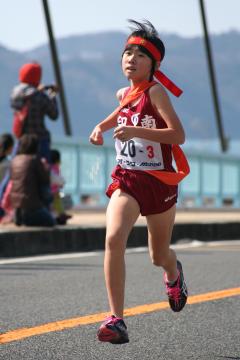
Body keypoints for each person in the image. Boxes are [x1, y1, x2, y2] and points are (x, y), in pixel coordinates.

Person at [89, 19, 190, 344]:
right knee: (114, 237)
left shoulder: (157, 92)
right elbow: (122, 112)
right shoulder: (124, 93)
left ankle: (173, 273)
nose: (131, 59)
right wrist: (100, 127)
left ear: (154, 64)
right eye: (127, 53)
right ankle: (116, 319)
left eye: (140, 55)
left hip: (158, 182)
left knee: (157, 255)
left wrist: (136, 132)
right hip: (128, 178)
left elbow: (178, 135)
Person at [10, 62, 59, 162]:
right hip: (39, 141)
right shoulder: (39, 96)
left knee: (15, 168)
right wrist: (52, 95)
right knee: (43, 172)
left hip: (21, 140)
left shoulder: (15, 93)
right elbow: (54, 115)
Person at [10, 134, 56, 227]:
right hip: (32, 208)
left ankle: (21, 219)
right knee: (51, 221)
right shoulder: (34, 160)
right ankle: (46, 211)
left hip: (17, 209)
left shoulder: (14, 160)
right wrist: (46, 168)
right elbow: (45, 180)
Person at [50, 149, 72, 225]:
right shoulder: (55, 167)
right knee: (58, 204)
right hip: (54, 191)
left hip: (50, 191)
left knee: (54, 206)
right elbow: (59, 180)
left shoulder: (49, 167)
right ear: (58, 160)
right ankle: (61, 214)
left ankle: (60, 215)